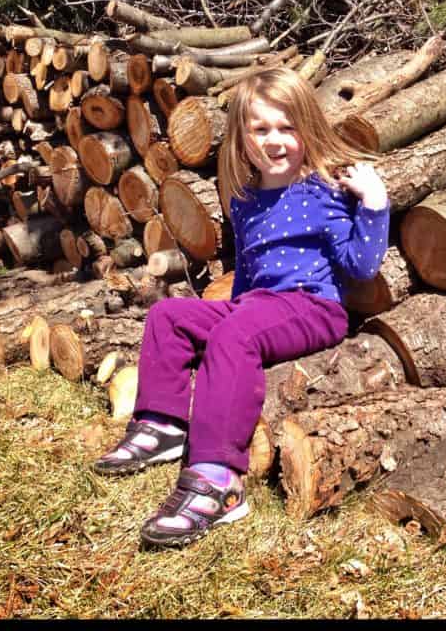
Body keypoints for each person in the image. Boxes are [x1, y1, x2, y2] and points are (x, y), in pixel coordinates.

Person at [93, 67, 390, 548]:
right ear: (242, 136)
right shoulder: (247, 199)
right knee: (169, 316)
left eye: (287, 127)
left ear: (307, 128)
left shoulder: (323, 192)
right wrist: (228, 317)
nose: (275, 141)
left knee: (238, 333)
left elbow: (360, 265)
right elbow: (249, 273)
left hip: (312, 307)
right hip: (256, 306)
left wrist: (374, 204)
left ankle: (219, 479)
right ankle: (164, 425)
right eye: (261, 129)